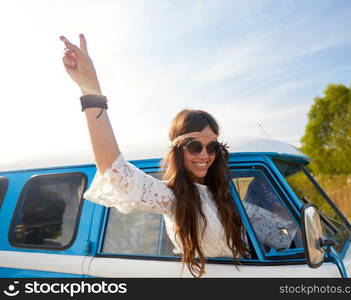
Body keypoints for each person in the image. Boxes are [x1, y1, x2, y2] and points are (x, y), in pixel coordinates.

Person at [60, 34, 297, 277]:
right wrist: (90, 89)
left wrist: (289, 217)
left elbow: (283, 234)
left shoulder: (227, 198)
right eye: (194, 146)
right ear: (178, 151)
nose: (205, 155)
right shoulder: (172, 198)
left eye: (212, 147)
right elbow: (115, 171)